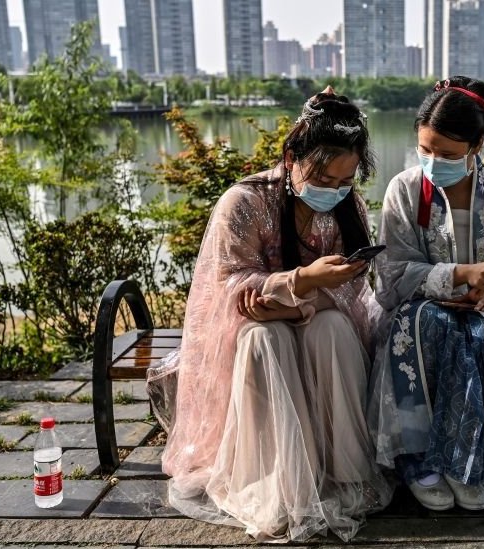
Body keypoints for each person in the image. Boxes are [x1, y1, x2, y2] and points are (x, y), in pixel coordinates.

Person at [147, 86, 393, 542]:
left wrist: (301, 295)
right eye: (324, 182)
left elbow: (354, 289)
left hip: (318, 316)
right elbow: (227, 289)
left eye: (345, 182)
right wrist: (301, 281)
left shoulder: (348, 207)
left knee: (335, 329)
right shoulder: (244, 202)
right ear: (292, 158)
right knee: (265, 339)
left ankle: (344, 470)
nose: (336, 192)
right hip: (252, 332)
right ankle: (281, 480)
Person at [367, 76, 484, 512]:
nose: (434, 162)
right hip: (420, 307)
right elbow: (391, 276)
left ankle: (469, 463)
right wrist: (459, 274)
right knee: (431, 325)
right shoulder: (404, 191)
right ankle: (419, 464)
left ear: (477, 149)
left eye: (448, 155)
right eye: (426, 150)